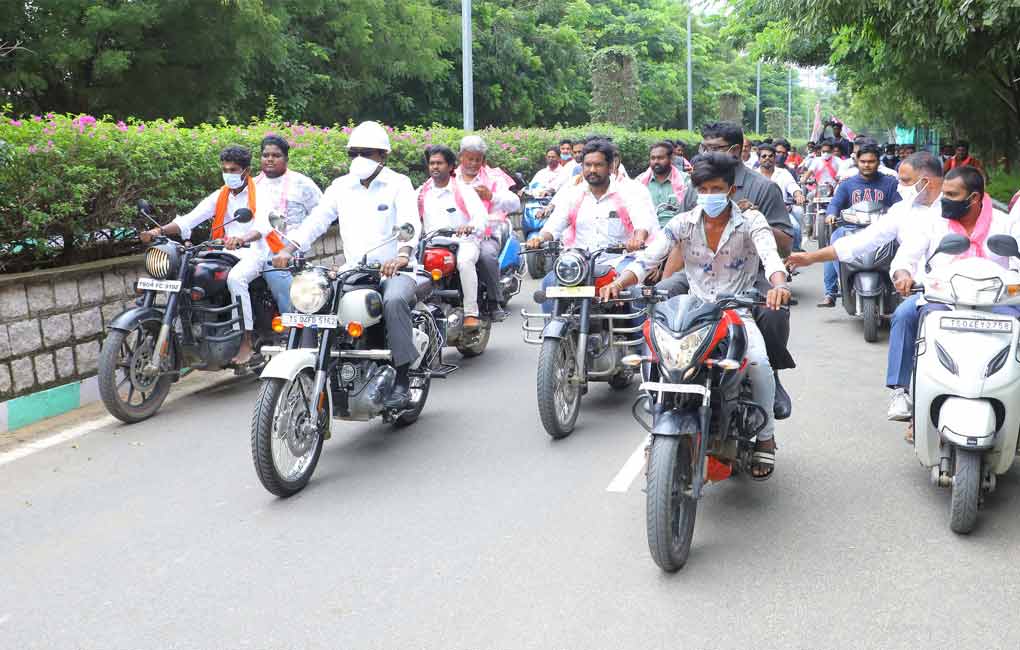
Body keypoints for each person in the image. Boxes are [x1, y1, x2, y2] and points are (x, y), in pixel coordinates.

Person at [602, 153, 790, 479]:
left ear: (731, 190)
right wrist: (619, 283)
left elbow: (771, 257)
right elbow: (648, 259)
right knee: (655, 358)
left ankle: (766, 437)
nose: (708, 195)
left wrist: (778, 285)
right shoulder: (683, 223)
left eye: (715, 188)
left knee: (758, 363)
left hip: (735, 311)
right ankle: (659, 429)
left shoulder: (751, 222)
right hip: (692, 312)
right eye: (702, 189)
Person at [270, 121, 421, 409]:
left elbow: (410, 222)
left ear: (383, 156)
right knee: (317, 301)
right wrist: (288, 248)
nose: (359, 159)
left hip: (395, 269)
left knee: (393, 301)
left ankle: (402, 378)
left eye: (367, 153)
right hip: (354, 269)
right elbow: (316, 221)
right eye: (354, 153)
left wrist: (402, 254)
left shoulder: (399, 184)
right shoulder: (341, 186)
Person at [785, 151, 945, 421]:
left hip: (969, 293)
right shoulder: (902, 211)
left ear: (927, 180)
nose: (900, 187)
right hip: (924, 292)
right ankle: (900, 391)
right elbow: (862, 243)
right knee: (905, 316)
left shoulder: (955, 209)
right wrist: (811, 257)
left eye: (905, 180)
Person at [664, 121, 796, 417]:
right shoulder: (694, 188)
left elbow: (784, 245)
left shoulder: (764, 187)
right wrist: (663, 282)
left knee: (774, 312)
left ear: (735, 151)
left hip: (751, 273)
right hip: (699, 271)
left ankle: (770, 375)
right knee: (663, 296)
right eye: (704, 148)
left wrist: (755, 217)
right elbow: (678, 243)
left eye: (715, 148)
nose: (706, 153)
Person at [884, 165, 1020, 426]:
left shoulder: (1005, 223)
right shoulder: (933, 221)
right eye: (944, 193)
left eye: (952, 195)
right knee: (904, 314)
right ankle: (902, 391)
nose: (944, 200)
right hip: (942, 299)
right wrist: (903, 275)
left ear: (975, 198)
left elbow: (1016, 263)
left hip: (996, 303)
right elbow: (906, 258)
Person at [140, 145, 270, 366]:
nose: (229, 173)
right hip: (222, 250)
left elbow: (262, 227)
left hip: (254, 251)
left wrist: (242, 238)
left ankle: (246, 340)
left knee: (235, 279)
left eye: (234, 169)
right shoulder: (221, 195)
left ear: (246, 171)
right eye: (225, 169)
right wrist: (158, 231)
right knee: (189, 272)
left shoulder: (261, 194)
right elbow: (189, 219)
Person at [525, 139, 656, 314]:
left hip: (619, 261)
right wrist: (540, 238)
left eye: (598, 165)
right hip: (580, 263)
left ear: (611, 166)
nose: (592, 170)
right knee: (550, 282)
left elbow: (642, 221)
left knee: (633, 291)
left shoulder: (631, 192)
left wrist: (638, 239)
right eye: (588, 165)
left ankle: (637, 339)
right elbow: (555, 224)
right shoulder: (573, 193)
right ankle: (555, 332)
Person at [817, 142, 901, 307]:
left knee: (901, 243)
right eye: (863, 161)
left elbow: (900, 205)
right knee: (833, 243)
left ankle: (899, 283)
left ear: (878, 162)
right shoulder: (847, 184)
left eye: (871, 161)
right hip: (852, 228)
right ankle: (831, 292)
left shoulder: (890, 183)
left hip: (882, 229)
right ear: (857, 161)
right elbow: (835, 203)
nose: (867, 165)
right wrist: (831, 214)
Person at [417, 145, 489, 330]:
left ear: (450, 166)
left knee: (465, 262)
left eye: (439, 163)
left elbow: (481, 217)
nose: (434, 167)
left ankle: (471, 313)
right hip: (431, 245)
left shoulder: (464, 190)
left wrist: (470, 226)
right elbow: (411, 221)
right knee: (412, 267)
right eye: (432, 163)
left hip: (464, 242)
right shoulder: (421, 193)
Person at [254, 135, 323, 314]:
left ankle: (292, 327)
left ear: (286, 158)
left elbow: (321, 215)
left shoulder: (302, 183)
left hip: (290, 249)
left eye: (276, 155)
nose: (269, 159)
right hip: (256, 247)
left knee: (277, 274)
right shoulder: (252, 186)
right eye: (265, 155)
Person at [456, 135, 521, 320]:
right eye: (470, 158)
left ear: (483, 160)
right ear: (461, 157)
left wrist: (491, 196)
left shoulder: (493, 177)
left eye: (478, 159)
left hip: (488, 231)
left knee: (486, 255)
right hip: (454, 234)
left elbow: (514, 202)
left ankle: (494, 301)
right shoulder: (452, 178)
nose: (473, 163)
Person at [757, 143, 806, 251]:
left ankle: (795, 254)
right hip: (759, 213)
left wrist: (798, 195)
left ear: (774, 158)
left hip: (782, 212)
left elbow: (792, 186)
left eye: (770, 156)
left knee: (796, 228)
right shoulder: (753, 175)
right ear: (759, 159)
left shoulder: (784, 173)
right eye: (764, 156)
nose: (767, 158)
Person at [635, 140, 688, 226]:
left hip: (677, 232)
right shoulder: (640, 181)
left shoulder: (686, 181)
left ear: (671, 158)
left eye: (660, 158)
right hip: (646, 232)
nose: (656, 161)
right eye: (653, 158)